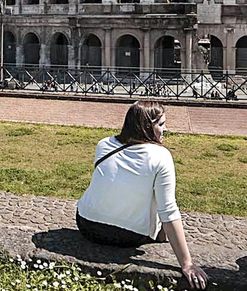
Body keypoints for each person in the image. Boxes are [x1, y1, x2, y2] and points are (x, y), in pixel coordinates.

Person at [76, 101, 208, 289]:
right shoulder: (161, 156)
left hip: (86, 224)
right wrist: (187, 264)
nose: (166, 129)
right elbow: (168, 211)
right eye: (161, 125)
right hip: (129, 235)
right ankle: (160, 235)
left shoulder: (104, 144)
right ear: (147, 127)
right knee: (161, 197)